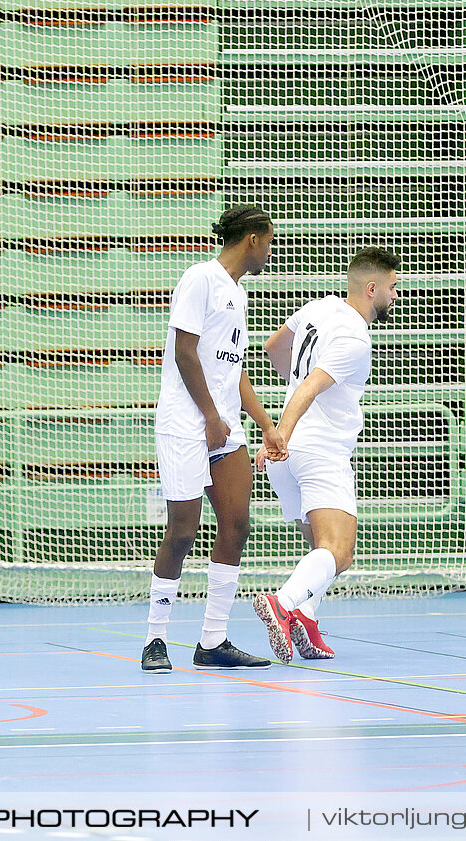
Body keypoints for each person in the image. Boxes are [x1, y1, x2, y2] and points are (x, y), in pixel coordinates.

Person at [142, 206, 282, 672]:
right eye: (269, 241)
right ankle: (155, 640)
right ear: (251, 239)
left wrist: (264, 423)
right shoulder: (200, 277)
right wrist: (208, 415)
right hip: (187, 422)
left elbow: (233, 371)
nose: (271, 250)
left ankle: (212, 641)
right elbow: (184, 352)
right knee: (182, 531)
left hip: (224, 428)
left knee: (237, 525)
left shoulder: (238, 296)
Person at [252, 247, 400, 663]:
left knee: (322, 552)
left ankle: (305, 615)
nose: (395, 295)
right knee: (340, 550)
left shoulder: (319, 306)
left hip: (290, 455)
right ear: (371, 289)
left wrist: (284, 431)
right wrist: (279, 434)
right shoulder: (354, 337)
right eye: (391, 287)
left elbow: (274, 347)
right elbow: (310, 388)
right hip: (315, 448)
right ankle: (283, 603)